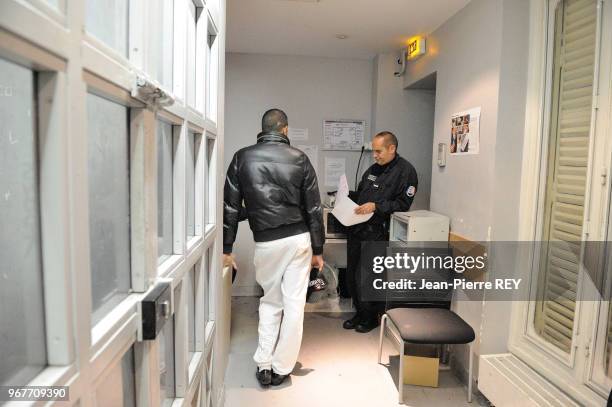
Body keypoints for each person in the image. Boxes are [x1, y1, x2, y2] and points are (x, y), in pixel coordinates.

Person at [223, 108, 325, 387]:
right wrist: (318, 249)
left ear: (263, 128)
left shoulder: (242, 158)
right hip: (299, 240)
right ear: (285, 130)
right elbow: (314, 208)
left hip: (267, 241)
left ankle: (264, 365)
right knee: (294, 305)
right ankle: (282, 368)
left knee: (270, 301)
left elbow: (231, 207)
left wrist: (226, 246)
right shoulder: (300, 159)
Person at [344, 131, 418, 333]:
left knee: (368, 277)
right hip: (358, 229)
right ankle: (359, 313)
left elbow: (403, 204)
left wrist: (376, 206)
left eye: (378, 151)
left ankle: (371, 317)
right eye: (373, 151)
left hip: (378, 232)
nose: (375, 155)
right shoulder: (372, 170)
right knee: (352, 275)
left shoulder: (406, 172)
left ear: (392, 148)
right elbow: (362, 195)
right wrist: (345, 197)